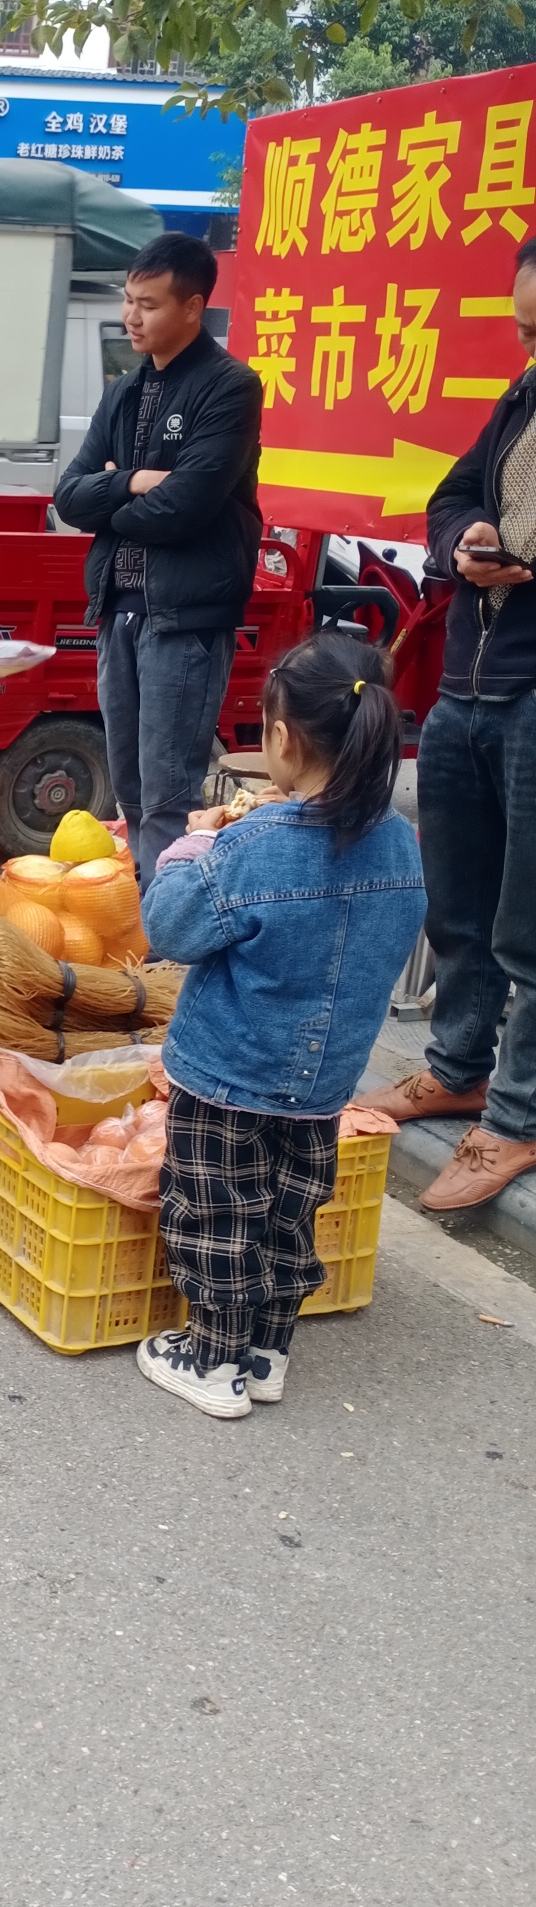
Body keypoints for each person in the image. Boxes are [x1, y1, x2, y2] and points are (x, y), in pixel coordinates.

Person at [136, 635, 425, 1419]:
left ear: (283, 739)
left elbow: (170, 928)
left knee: (218, 1218)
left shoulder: (251, 846)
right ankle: (268, 1353)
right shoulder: (400, 843)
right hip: (323, 1084)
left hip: (228, 1077)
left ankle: (212, 1361)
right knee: (289, 1213)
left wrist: (197, 843)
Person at [354, 244, 536, 1209]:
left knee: (528, 923)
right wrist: (463, 541)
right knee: (458, 903)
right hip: (470, 681)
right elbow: (452, 495)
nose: (529, 346)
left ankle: (518, 1115)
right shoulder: (520, 397)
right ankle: (458, 1066)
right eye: (524, 327)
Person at [53, 231, 262, 875]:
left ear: (193, 307)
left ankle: (166, 923)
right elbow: (67, 497)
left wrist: (109, 500)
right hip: (118, 607)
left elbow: (185, 507)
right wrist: (136, 482)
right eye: (128, 300)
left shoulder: (229, 387)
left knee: (169, 793)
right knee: (131, 789)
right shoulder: (124, 391)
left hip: (184, 617)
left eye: (148, 304)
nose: (131, 316)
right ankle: (146, 915)